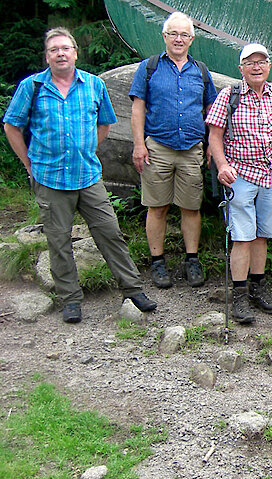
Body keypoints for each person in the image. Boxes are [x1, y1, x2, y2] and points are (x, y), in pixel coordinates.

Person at [3, 27, 157, 323]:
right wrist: (27, 162)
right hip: (49, 178)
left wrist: (84, 150)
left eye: (65, 48)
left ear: (75, 53)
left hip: (88, 175)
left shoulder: (93, 84)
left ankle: (133, 290)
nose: (60, 53)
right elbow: (12, 126)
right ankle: (70, 299)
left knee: (110, 233)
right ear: (47, 56)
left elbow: (104, 125)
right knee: (58, 241)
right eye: (53, 50)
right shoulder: (32, 87)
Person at [205, 43, 272, 324]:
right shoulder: (229, 96)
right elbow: (214, 136)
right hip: (238, 175)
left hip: (270, 174)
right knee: (242, 236)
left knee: (262, 234)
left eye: (262, 62)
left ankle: (257, 290)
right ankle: (239, 295)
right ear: (241, 69)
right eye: (250, 62)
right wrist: (222, 165)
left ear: (269, 66)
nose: (257, 67)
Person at [129, 12, 218, 290]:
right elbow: (137, 108)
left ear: (192, 39)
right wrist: (139, 144)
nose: (179, 39)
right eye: (173, 34)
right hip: (157, 147)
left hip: (192, 148)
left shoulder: (201, 71)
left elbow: (211, 111)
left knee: (191, 208)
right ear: (165, 36)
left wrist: (213, 147)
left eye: (184, 35)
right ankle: (158, 263)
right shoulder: (149, 67)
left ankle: (192, 260)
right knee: (157, 207)